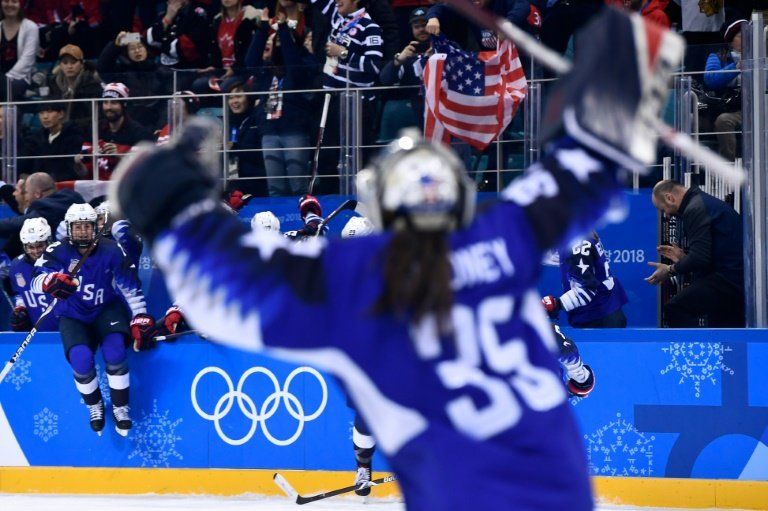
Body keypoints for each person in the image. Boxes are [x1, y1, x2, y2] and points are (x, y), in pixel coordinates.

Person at [110, 8, 682, 510]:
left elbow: (236, 287)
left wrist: (177, 211)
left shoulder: (357, 274)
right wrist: (634, 69)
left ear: (383, 207)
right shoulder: (503, 236)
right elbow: (579, 173)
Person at [31, 203, 152, 436]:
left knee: (115, 351)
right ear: (69, 228)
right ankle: (94, 405)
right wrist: (49, 282)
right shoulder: (57, 250)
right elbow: (37, 277)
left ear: (95, 227)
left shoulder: (113, 250)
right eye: (77, 227)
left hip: (106, 309)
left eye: (87, 226)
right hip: (72, 314)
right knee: (81, 359)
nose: (83, 232)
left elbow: (130, 289)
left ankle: (120, 407)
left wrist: (139, 318)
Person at [646, 179, 744, 327]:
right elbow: (706, 255)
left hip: (727, 280)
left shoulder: (694, 209)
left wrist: (669, 270)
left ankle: (690, 349)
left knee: (676, 308)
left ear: (669, 198)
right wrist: (684, 258)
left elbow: (700, 258)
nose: (666, 216)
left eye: (662, 209)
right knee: (724, 332)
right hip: (734, 278)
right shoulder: (702, 203)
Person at [541, 231, 628, 328]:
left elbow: (588, 289)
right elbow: (562, 258)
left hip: (599, 319)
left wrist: (556, 304)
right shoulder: (578, 237)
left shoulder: (577, 245)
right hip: (602, 312)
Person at [77, 83, 155, 180]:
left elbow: (145, 169)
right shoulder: (94, 129)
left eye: (114, 103)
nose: (108, 107)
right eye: (105, 102)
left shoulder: (139, 133)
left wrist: (120, 155)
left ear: (124, 105)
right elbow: (84, 172)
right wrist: (78, 164)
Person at [0, 172, 84, 259]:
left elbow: (15, 223)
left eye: (27, 192)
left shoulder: (47, 208)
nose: (26, 197)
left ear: (37, 194)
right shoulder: (73, 197)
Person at [702, 18, 745, 161]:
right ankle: (728, 167)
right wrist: (736, 67)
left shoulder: (760, 56)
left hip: (753, 107)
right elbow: (710, 80)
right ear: (731, 40)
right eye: (741, 35)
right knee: (723, 120)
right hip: (727, 108)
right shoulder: (718, 56)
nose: (746, 38)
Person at [8, 217, 58, 332]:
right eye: (30, 247)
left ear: (48, 241)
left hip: (66, 331)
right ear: (24, 246)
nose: (35, 251)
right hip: (37, 335)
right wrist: (20, 308)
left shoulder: (61, 260)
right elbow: (19, 294)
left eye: (40, 246)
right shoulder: (16, 266)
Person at [46, 44, 102, 136]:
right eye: (65, 62)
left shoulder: (92, 83)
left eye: (73, 62)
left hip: (84, 132)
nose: (69, 66)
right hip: (58, 132)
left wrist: (71, 125)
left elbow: (96, 116)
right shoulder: (53, 84)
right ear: (60, 65)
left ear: (81, 64)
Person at [21, 102, 86, 181]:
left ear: (61, 114)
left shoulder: (73, 136)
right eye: (41, 113)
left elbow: (71, 167)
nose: (45, 117)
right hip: (39, 184)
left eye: (49, 112)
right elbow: (26, 163)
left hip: (64, 183)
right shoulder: (35, 138)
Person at [0, 0, 39, 101]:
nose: (10, 5)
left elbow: (27, 60)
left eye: (14, 1)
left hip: (21, 77)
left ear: (21, 4)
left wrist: (6, 79)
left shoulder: (31, 27)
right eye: (6, 1)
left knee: (6, 86)